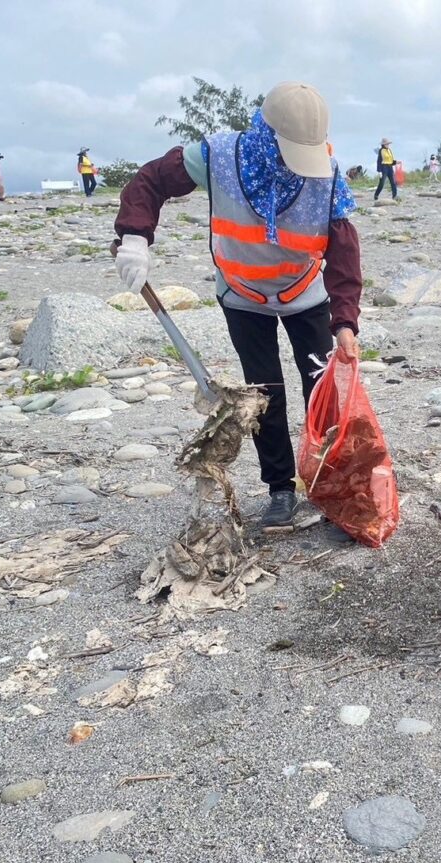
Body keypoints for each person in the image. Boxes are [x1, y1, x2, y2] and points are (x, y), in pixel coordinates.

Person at [112, 82, 364, 531]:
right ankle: (281, 490)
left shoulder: (327, 172)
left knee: (321, 389)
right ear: (265, 132)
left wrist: (345, 321)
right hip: (243, 296)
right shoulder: (218, 157)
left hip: (305, 294)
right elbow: (150, 180)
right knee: (263, 394)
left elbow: (344, 250)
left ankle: (329, 483)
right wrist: (135, 236)